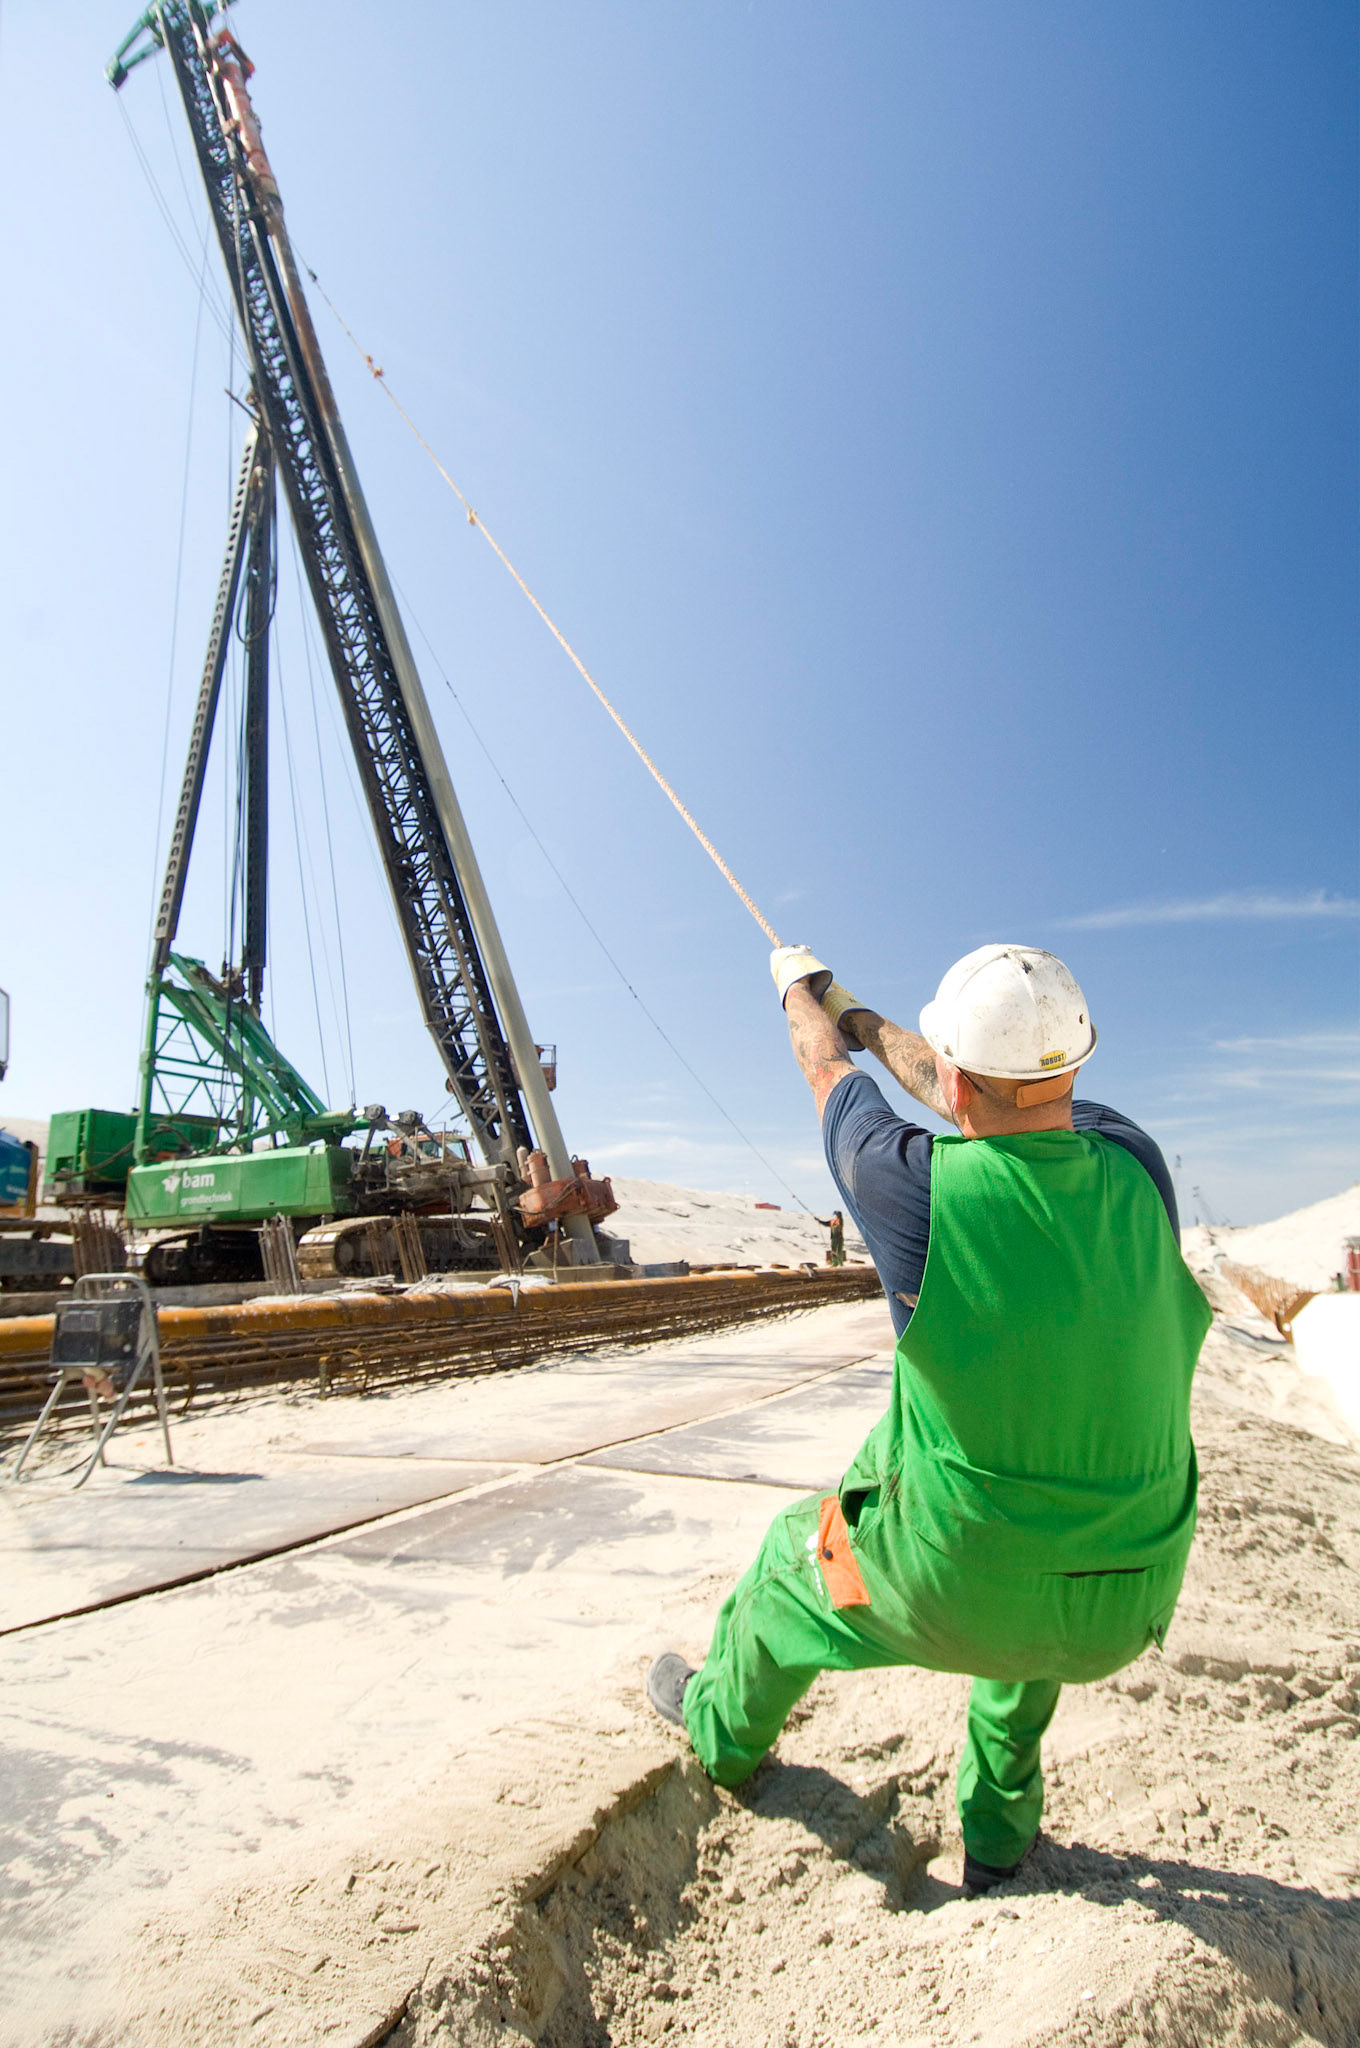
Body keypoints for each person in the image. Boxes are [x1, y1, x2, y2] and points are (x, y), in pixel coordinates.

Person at [648, 942, 1210, 1894]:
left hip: (950, 1580)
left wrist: (799, 991)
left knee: (793, 1564)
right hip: (1131, 1590)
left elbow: (825, 1067)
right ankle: (997, 1837)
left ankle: (721, 1736)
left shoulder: (907, 1187)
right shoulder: (1136, 1164)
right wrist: (855, 1005)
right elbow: (948, 1080)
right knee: (1041, 1564)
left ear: (955, 1074)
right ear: (1072, 1062)